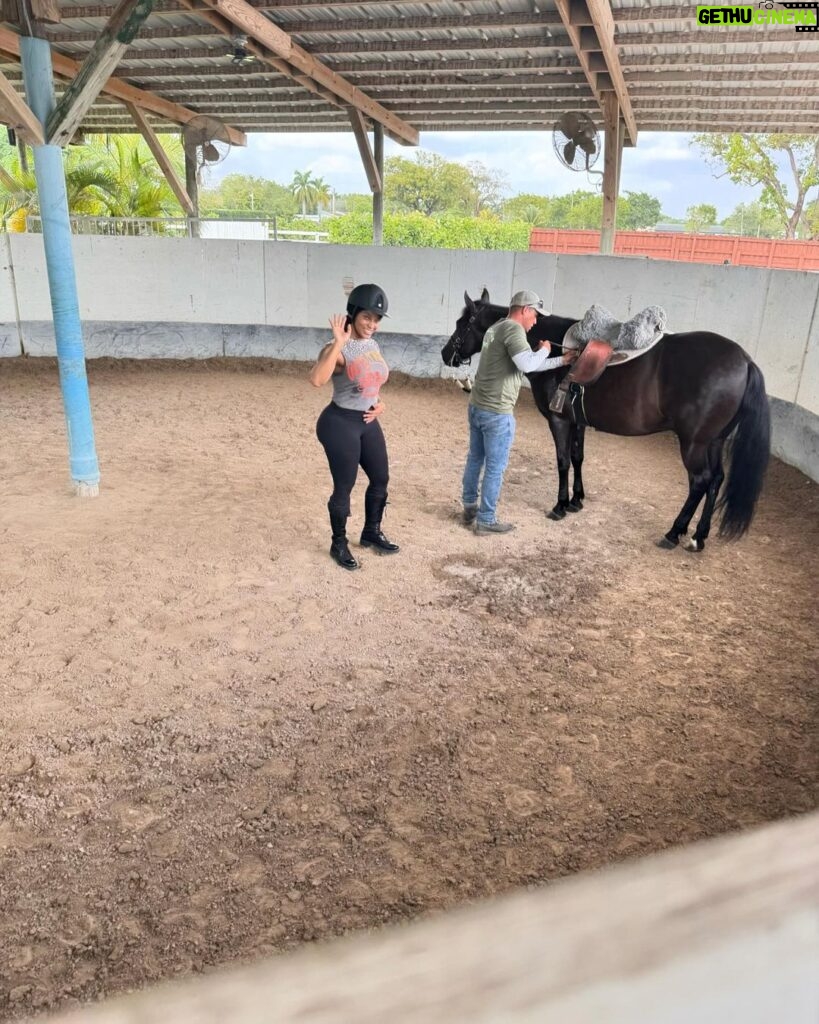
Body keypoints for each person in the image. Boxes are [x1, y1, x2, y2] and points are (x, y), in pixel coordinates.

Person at [462, 289, 576, 534]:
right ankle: (486, 519)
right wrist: (545, 349)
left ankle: (469, 506)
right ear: (524, 310)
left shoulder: (496, 328)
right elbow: (527, 364)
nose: (535, 321)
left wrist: (562, 361)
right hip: (497, 411)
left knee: (475, 458)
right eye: (535, 314)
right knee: (495, 466)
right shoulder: (514, 330)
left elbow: (525, 366)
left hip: (478, 406)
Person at [309, 283, 399, 571]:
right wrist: (337, 341)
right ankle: (338, 542)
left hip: (367, 421)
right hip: (340, 424)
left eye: (376, 319)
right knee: (344, 487)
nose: (372, 324)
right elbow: (317, 379)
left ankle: (370, 532)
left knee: (381, 478)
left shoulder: (371, 343)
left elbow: (371, 379)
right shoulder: (337, 346)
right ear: (353, 314)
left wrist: (379, 403)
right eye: (366, 318)